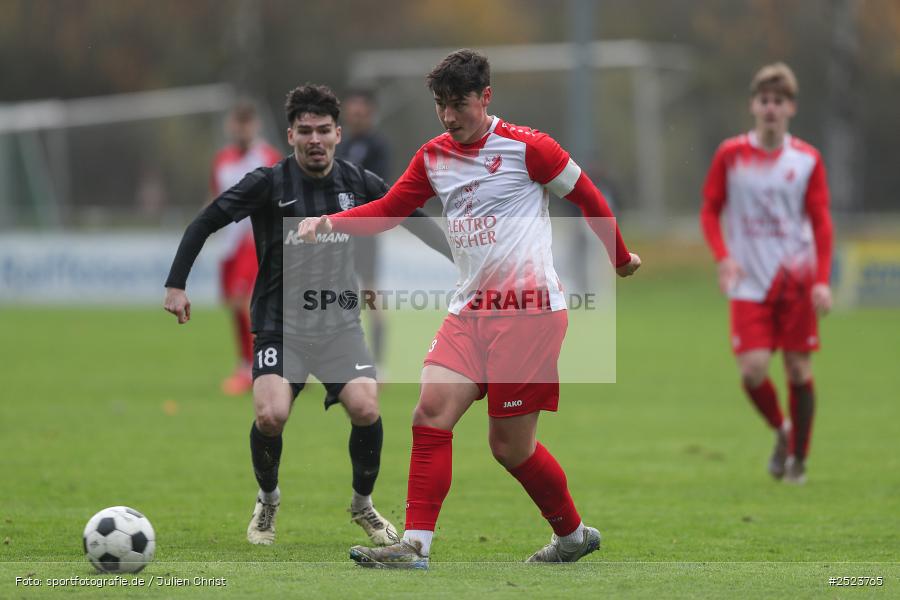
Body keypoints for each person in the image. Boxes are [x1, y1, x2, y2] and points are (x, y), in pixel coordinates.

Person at [298, 49, 641, 568]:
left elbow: (588, 198)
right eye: (440, 105)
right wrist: (329, 221)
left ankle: (572, 536)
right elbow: (391, 210)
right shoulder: (432, 156)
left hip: (530, 314)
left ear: (486, 97)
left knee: (510, 448)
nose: (449, 116)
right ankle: (414, 547)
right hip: (468, 311)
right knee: (430, 414)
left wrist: (619, 258)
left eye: (458, 104)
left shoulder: (530, 149)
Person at [163, 84, 452, 547]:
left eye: (323, 130)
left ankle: (363, 505)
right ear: (292, 136)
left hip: (338, 324)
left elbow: (415, 218)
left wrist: (466, 263)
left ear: (338, 134)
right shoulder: (268, 183)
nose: (315, 139)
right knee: (271, 416)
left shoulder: (358, 182)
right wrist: (176, 283)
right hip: (281, 327)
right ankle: (268, 498)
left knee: (366, 407)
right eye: (305, 131)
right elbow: (206, 221)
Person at [700, 62, 833, 485]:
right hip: (748, 282)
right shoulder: (731, 155)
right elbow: (709, 210)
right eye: (764, 100)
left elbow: (821, 221)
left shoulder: (807, 159)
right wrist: (723, 257)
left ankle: (799, 460)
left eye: (779, 101)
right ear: (753, 105)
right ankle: (783, 431)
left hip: (795, 279)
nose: (771, 108)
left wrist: (823, 279)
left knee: (798, 370)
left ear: (791, 108)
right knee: (753, 370)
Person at [210, 102, 281, 395]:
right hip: (228, 242)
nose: (242, 129)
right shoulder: (222, 160)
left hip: (254, 240)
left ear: (256, 126)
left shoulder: (268, 157)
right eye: (237, 123)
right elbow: (217, 198)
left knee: (245, 302)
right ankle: (249, 364)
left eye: (247, 123)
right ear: (230, 126)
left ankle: (258, 367)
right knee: (234, 305)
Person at [335, 89, 391, 366]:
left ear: (370, 114)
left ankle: (378, 365)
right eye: (351, 112)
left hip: (365, 232)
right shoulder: (339, 145)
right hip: (337, 233)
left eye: (360, 113)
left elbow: (380, 190)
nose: (355, 118)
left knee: (370, 295)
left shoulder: (378, 146)